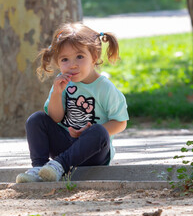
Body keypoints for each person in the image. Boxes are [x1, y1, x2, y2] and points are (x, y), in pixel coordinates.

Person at [16, 23, 129, 183]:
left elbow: (120, 122)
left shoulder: (104, 88)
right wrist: (57, 93)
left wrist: (88, 133)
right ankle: (40, 169)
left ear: (94, 57)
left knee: (98, 131)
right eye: (65, 59)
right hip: (65, 147)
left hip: (93, 152)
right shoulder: (62, 85)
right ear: (58, 63)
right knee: (36, 119)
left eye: (80, 57)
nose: (72, 64)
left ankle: (59, 165)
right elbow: (54, 118)